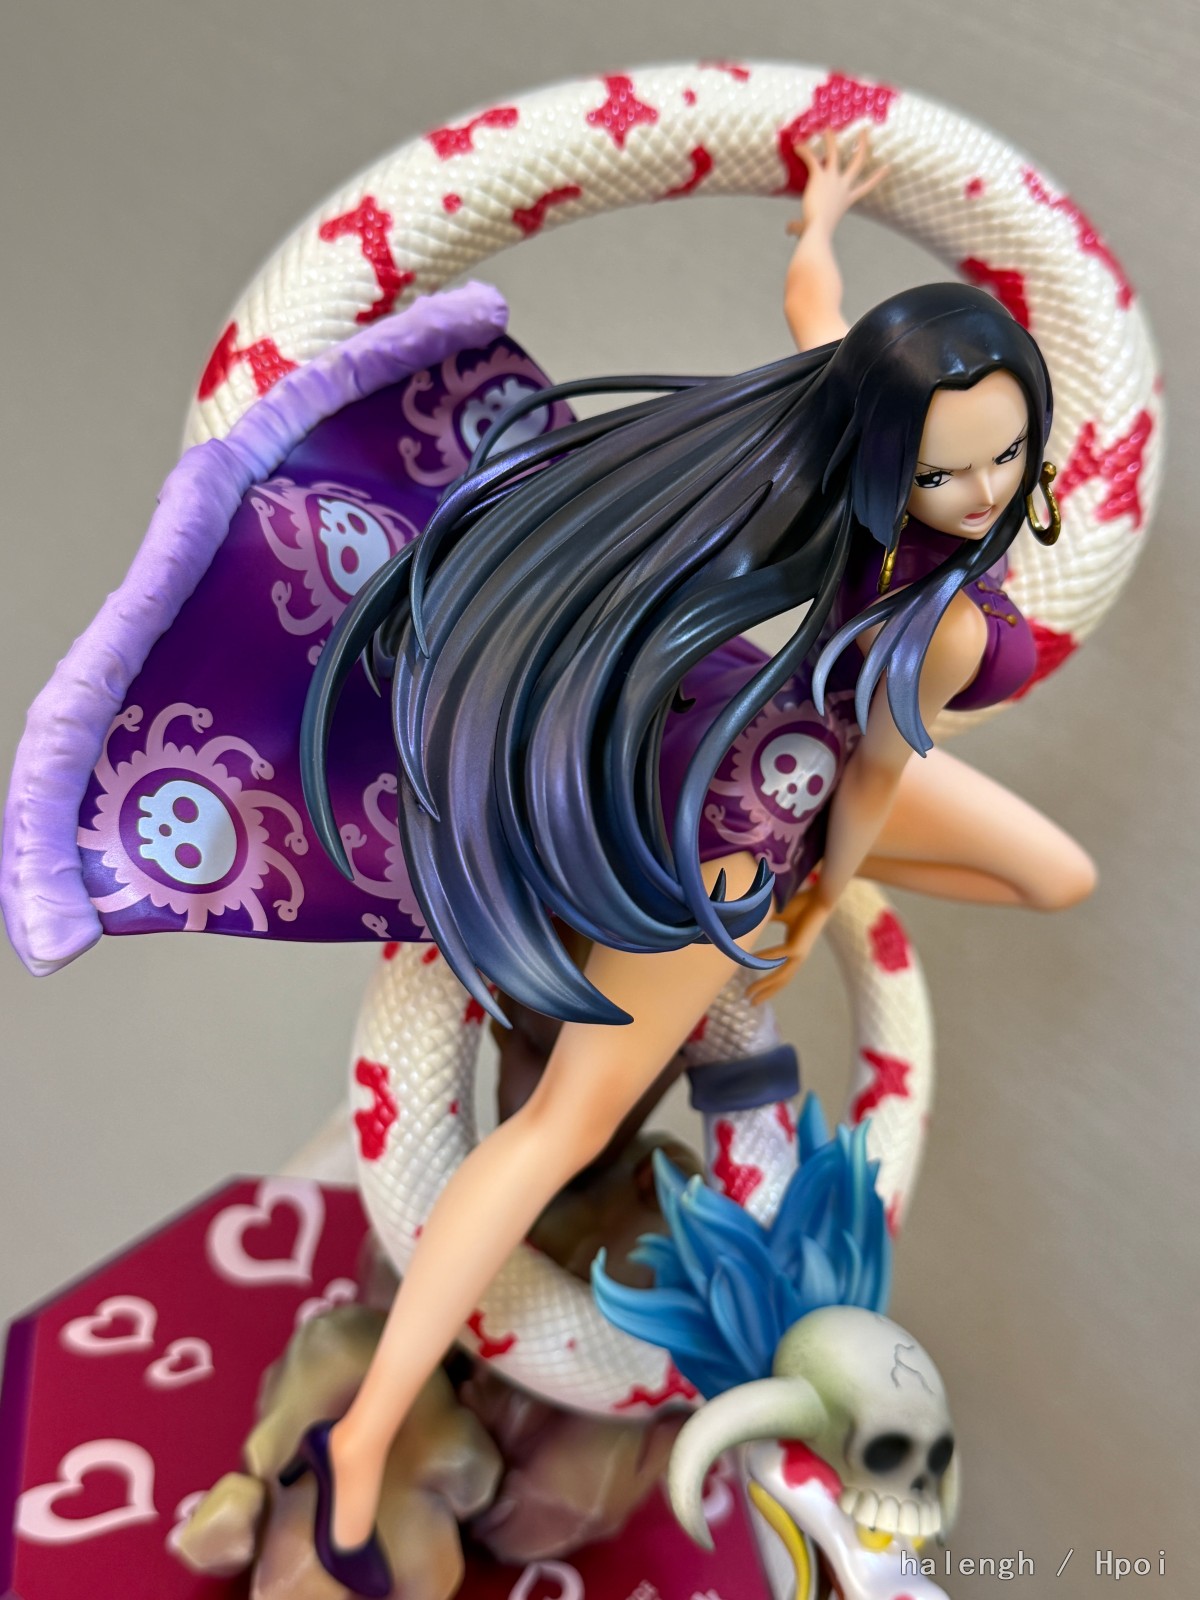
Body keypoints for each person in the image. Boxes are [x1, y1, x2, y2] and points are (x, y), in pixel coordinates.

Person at [283, 132, 1095, 1594]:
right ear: (888, 456)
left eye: (1003, 457)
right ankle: (368, 1431)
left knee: (1056, 874)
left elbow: (814, 314)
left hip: (756, 744)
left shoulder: (858, 449)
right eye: (944, 470)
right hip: (748, 830)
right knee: (556, 1133)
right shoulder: (947, 626)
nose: (980, 491)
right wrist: (815, 902)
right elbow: (872, 784)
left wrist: (819, 223)